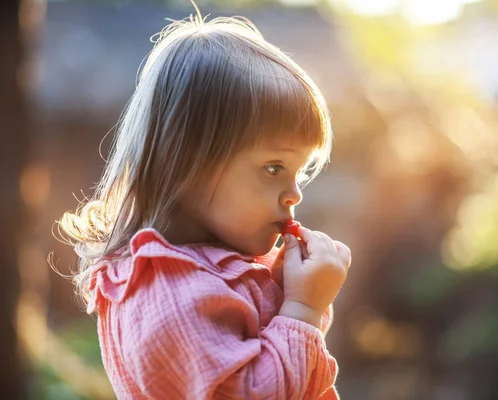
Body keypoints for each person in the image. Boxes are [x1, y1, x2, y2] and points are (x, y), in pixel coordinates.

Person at [57, 8, 351, 400]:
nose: (294, 193)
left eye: (299, 172)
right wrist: (302, 309)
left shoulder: (209, 273)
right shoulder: (169, 293)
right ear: (186, 165)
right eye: (273, 167)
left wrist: (287, 294)